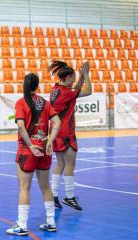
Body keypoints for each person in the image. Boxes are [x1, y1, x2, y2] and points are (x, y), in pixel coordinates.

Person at [6, 73, 61, 236]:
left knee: (24, 187)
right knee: (46, 186)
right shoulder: (44, 102)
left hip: (27, 150)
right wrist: (50, 141)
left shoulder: (21, 103)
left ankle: (22, 225)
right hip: (44, 148)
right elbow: (57, 122)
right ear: (37, 86)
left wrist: (30, 145)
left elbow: (21, 127)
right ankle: (51, 222)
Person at [49, 61, 92, 210]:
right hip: (66, 132)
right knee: (70, 165)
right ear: (66, 78)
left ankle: (53, 195)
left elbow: (75, 90)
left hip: (55, 131)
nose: (74, 81)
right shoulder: (67, 93)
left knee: (60, 164)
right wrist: (86, 75)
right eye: (72, 78)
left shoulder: (56, 89)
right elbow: (88, 91)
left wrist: (79, 77)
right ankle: (69, 196)